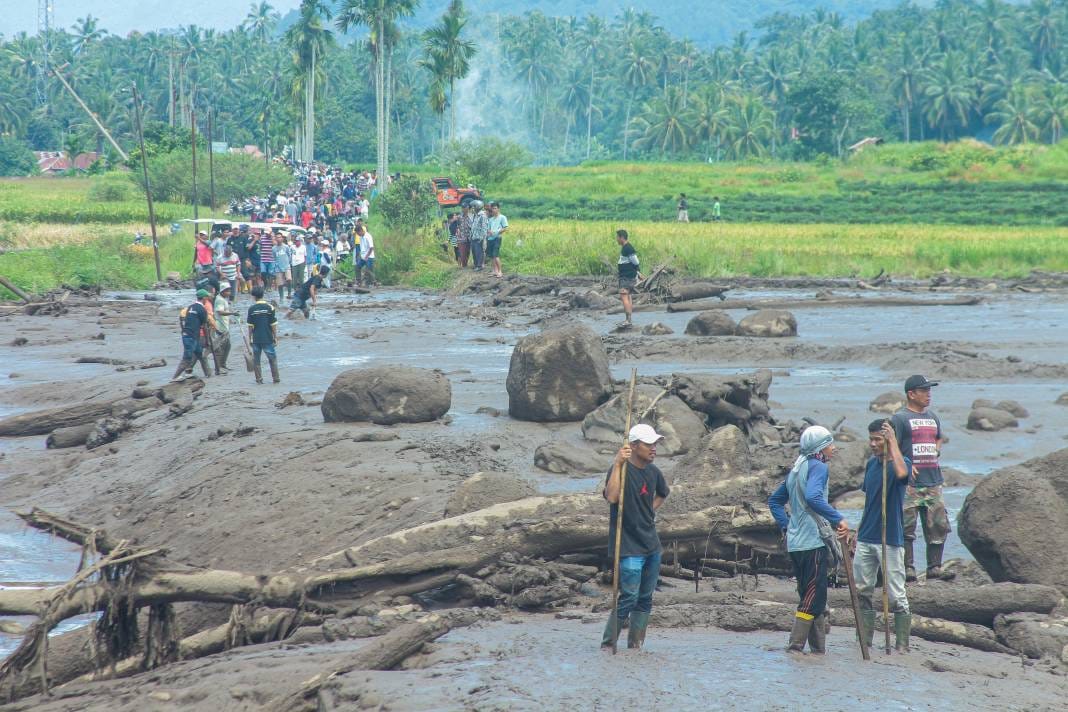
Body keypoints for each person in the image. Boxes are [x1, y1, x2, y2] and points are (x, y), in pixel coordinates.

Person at [768, 425, 849, 654]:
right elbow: (814, 497)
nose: (834, 449)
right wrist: (838, 518)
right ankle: (795, 647)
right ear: (821, 448)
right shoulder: (818, 467)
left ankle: (818, 650)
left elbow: (775, 501)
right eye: (830, 444)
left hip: (796, 543)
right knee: (814, 596)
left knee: (812, 594)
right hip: (812, 542)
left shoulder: (797, 468)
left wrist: (786, 526)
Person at [600, 424, 670, 652]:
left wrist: (649, 511)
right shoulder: (620, 470)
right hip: (628, 545)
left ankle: (636, 644)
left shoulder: (653, 472)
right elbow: (611, 497)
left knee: (645, 598)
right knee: (629, 596)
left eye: (655, 444)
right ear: (633, 446)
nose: (653, 449)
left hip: (651, 545)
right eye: (648, 444)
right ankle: (608, 643)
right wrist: (618, 462)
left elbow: (663, 493)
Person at [854, 419, 912, 653]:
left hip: (891, 538)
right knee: (862, 589)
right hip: (867, 536)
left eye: (878, 439)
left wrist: (893, 443)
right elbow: (869, 501)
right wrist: (857, 532)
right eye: (871, 439)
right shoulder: (871, 464)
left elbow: (902, 473)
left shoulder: (901, 462)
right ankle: (864, 640)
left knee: (897, 594)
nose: (873, 444)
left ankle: (901, 644)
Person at [891, 375, 951, 582]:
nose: (928, 394)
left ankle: (935, 567)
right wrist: (904, 467)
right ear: (911, 394)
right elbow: (891, 446)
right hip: (909, 484)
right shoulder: (899, 418)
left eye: (929, 390)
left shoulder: (933, 417)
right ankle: (908, 568)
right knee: (906, 527)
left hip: (933, 480)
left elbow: (939, 437)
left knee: (938, 525)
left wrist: (936, 450)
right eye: (924, 391)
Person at [172, 289, 214, 380]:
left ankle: (209, 374)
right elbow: (204, 326)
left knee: (200, 355)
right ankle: (175, 377)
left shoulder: (190, 307)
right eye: (207, 297)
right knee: (187, 357)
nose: (208, 298)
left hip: (188, 334)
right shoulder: (202, 310)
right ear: (204, 298)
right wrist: (207, 340)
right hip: (192, 336)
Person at [246, 285, 279, 384]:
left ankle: (259, 379)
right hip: (267, 338)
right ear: (263, 295)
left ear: (254, 296)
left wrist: (250, 338)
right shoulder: (270, 307)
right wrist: (275, 337)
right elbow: (273, 324)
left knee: (257, 360)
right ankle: (276, 378)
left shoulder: (251, 309)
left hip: (256, 339)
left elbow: (250, 326)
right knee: (272, 359)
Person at [615, 229, 643, 329]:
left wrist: (638, 272)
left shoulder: (628, 248)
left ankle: (628, 320)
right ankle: (629, 320)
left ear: (622, 237)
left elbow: (635, 262)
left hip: (626, 277)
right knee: (628, 296)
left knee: (624, 295)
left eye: (617, 237)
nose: (616, 239)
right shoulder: (625, 248)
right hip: (626, 276)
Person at [212, 282, 235, 374]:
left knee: (227, 346)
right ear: (223, 291)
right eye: (227, 291)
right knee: (222, 347)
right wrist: (232, 313)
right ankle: (219, 367)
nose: (229, 293)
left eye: (229, 290)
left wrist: (230, 319)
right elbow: (220, 312)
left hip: (224, 325)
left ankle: (222, 365)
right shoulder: (220, 300)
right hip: (220, 327)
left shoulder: (223, 299)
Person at [485, 201, 508, 278]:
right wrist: (489, 233)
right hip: (490, 238)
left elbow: (505, 228)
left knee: (496, 255)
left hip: (497, 238)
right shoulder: (491, 219)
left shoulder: (502, 217)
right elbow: (488, 229)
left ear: (498, 209)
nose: (494, 210)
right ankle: (494, 271)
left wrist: (496, 232)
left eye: (495, 208)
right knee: (491, 256)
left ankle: (500, 271)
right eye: (493, 208)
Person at [272, 234, 293, 302]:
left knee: (289, 279)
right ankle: (281, 297)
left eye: (280, 237)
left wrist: (289, 263)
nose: (278, 239)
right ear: (275, 239)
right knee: (280, 284)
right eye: (277, 237)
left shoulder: (286, 247)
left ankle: (289, 293)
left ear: (282, 238)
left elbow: (289, 255)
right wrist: (275, 266)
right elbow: (274, 258)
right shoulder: (274, 248)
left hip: (286, 266)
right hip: (278, 267)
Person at [470, 201, 488, 271]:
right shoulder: (476, 215)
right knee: (474, 252)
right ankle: (476, 265)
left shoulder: (482, 215)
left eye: (474, 206)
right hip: (474, 237)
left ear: (477, 207)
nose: (473, 208)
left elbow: (484, 227)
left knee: (479, 252)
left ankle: (479, 266)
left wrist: (483, 238)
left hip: (479, 237)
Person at [458, 203, 473, 268]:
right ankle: (463, 265)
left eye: (465, 208)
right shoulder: (459, 217)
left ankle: (466, 264)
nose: (464, 209)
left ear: (468, 208)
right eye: (463, 208)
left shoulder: (471, 216)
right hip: (461, 237)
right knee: (462, 252)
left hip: (470, 236)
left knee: (467, 251)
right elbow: (457, 226)